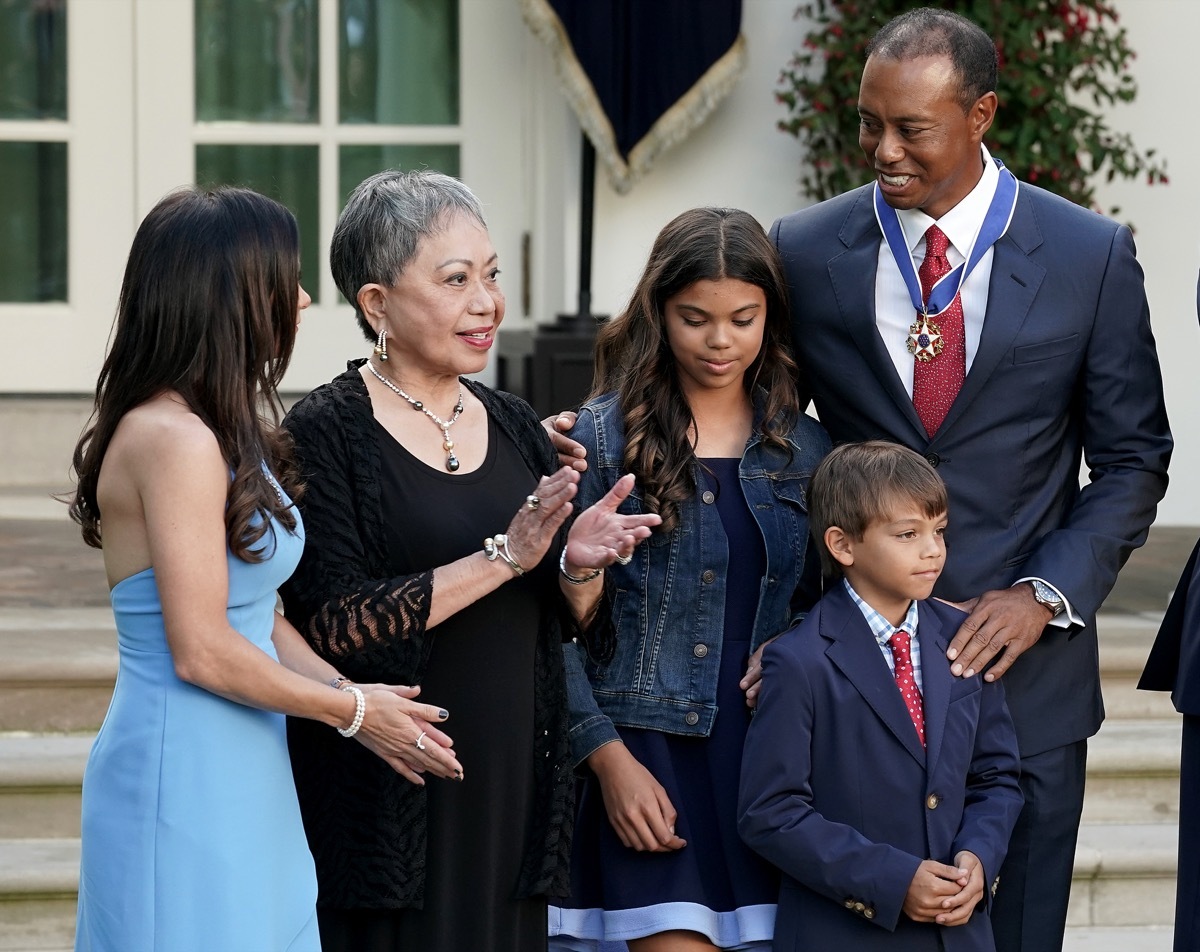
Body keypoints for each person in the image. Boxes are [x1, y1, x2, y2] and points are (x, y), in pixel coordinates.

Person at [765, 9, 1172, 950]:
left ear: (981, 114)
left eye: (912, 128)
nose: (883, 150)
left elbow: (1132, 459)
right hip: (851, 686)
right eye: (869, 123)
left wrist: (1043, 595)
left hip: (1025, 689)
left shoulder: (1090, 255)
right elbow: (766, 442)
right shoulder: (805, 249)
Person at [68, 187, 461, 952]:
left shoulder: (221, 426)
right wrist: (349, 712)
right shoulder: (173, 439)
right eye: (289, 280)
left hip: (249, 759)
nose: (305, 298)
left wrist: (355, 696)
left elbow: (259, 617)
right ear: (234, 296)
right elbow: (202, 649)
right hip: (183, 767)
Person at [278, 168, 660, 952]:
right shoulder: (324, 432)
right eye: (456, 280)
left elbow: (567, 627)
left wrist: (578, 567)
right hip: (392, 790)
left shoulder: (517, 424)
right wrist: (505, 556)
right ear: (377, 304)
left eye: (492, 275)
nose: (487, 302)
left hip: (513, 786)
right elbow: (332, 625)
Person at [547, 207, 831, 952]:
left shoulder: (807, 450)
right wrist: (606, 758)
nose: (719, 341)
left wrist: (795, 646)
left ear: (771, 316)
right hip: (642, 757)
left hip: (770, 763)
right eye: (694, 318)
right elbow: (544, 626)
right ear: (658, 313)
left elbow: (836, 601)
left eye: (743, 319)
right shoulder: (597, 440)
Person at [738, 440, 1024, 951]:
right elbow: (770, 813)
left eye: (939, 531)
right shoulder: (799, 660)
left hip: (958, 933)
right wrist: (892, 881)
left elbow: (996, 776)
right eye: (908, 534)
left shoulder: (963, 640)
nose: (933, 550)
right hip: (846, 933)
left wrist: (979, 857)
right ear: (842, 545)